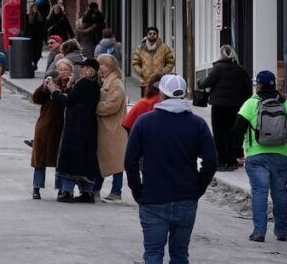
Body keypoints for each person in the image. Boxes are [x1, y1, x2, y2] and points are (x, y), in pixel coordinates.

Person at [125, 74, 218, 262]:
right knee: (180, 255)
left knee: (153, 254)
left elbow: (130, 161)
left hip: (153, 197)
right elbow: (211, 161)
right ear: (183, 94)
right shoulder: (197, 124)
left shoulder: (144, 122)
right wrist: (198, 188)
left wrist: (137, 189)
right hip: (186, 197)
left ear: (161, 94)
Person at [232, 70, 287, 243]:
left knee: (259, 192)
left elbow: (237, 129)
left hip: (257, 156)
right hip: (281, 155)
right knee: (280, 193)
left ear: (258, 86)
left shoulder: (250, 104)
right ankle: (281, 231)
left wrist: (238, 153)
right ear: (274, 84)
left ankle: (259, 232)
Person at [47, 57, 100, 202]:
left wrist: (55, 92)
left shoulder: (82, 83)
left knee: (69, 158)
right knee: (86, 158)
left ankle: (67, 191)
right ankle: (87, 193)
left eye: (83, 67)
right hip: (89, 126)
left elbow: (69, 101)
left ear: (89, 69)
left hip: (75, 126)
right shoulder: (95, 85)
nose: (80, 69)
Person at [197, 45, 252, 171]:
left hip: (219, 106)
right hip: (235, 107)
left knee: (219, 134)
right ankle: (231, 161)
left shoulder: (218, 68)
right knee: (231, 133)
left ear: (220, 55)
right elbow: (248, 89)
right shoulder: (240, 70)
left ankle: (221, 162)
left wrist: (199, 82)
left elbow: (206, 83)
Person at [30, 58, 71, 199]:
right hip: (45, 126)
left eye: (66, 70)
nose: (63, 72)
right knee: (39, 160)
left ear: (70, 71)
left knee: (60, 161)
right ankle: (36, 187)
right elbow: (36, 99)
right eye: (61, 70)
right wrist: (44, 88)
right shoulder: (51, 83)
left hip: (62, 128)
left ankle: (60, 189)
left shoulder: (73, 85)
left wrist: (65, 89)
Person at [95, 54, 127, 202]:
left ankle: (115, 191)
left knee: (116, 163)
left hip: (114, 129)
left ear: (109, 66)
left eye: (101, 65)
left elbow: (112, 105)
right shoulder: (107, 81)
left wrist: (95, 106)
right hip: (107, 128)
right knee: (103, 161)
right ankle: (96, 189)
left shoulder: (116, 84)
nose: (99, 68)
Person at [131, 27, 175, 96]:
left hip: (159, 82)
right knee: (145, 102)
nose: (152, 35)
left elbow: (170, 61)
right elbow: (135, 63)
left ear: (157, 35)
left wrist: (164, 71)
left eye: (154, 34)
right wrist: (141, 71)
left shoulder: (164, 48)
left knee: (158, 102)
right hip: (145, 82)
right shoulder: (141, 48)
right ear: (147, 35)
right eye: (150, 34)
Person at [23, 3, 45, 71]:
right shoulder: (27, 16)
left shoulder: (39, 16)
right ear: (31, 9)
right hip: (31, 37)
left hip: (38, 37)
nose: (35, 9)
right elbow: (26, 28)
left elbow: (42, 27)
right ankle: (32, 63)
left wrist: (43, 36)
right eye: (34, 8)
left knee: (38, 51)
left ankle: (35, 63)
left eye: (36, 8)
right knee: (31, 51)